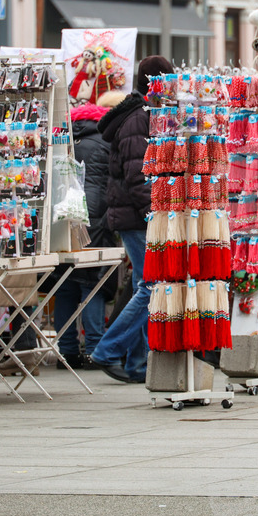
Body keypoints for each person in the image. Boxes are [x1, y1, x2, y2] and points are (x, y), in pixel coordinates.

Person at [88, 55, 174, 383]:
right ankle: (107, 350)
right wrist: (153, 214)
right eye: (168, 82)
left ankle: (138, 364)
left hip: (133, 215)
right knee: (151, 286)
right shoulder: (139, 119)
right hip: (137, 217)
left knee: (144, 284)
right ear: (157, 81)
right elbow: (138, 175)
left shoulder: (145, 114)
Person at [52, 92, 123, 368]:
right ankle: (94, 347)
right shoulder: (107, 140)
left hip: (63, 214)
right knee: (92, 284)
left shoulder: (66, 137)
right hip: (94, 217)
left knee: (66, 284)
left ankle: (67, 350)